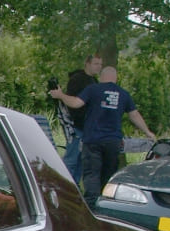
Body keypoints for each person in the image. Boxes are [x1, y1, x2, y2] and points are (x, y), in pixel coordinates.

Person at [51, 65, 153, 207]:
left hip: (93, 140)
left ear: (102, 77)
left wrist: (61, 95)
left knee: (92, 173)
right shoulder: (123, 94)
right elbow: (134, 115)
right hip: (113, 142)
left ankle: (92, 205)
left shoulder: (93, 89)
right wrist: (148, 132)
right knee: (109, 172)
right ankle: (106, 204)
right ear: (115, 78)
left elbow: (76, 103)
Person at [53, 54, 101, 185]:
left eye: (100, 64)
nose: (99, 67)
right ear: (88, 63)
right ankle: (64, 186)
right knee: (72, 159)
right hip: (77, 125)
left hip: (88, 127)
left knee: (80, 160)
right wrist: (78, 120)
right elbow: (71, 103)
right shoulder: (77, 80)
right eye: (96, 64)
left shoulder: (94, 81)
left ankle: (74, 187)